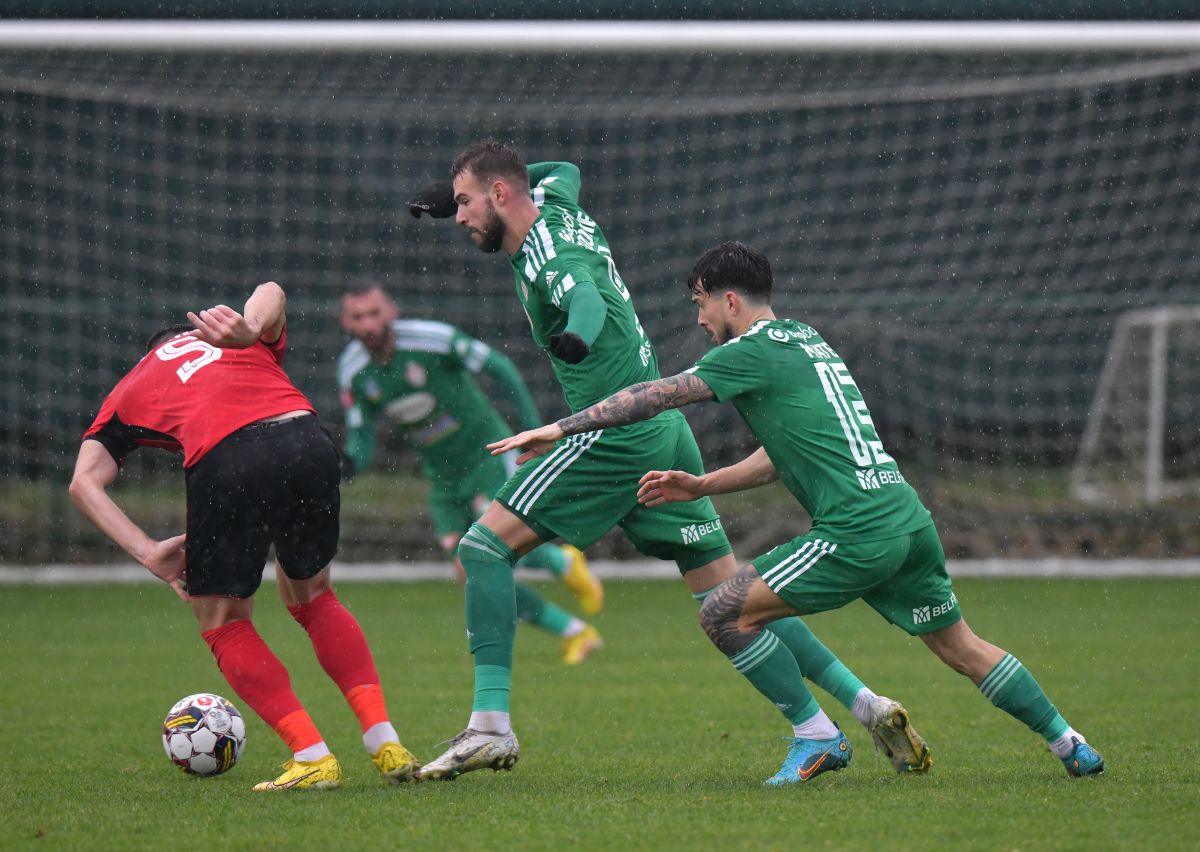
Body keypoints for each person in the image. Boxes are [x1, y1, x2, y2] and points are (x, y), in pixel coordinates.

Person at [406, 141, 930, 784]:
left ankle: (490, 726)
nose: (458, 218)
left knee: (482, 549)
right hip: (664, 437)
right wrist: (452, 191)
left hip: (613, 437)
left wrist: (578, 334)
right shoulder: (558, 202)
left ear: (501, 196)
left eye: (464, 204)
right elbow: (563, 169)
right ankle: (859, 705)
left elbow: (584, 298)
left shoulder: (552, 254)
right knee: (729, 596)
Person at [490, 241, 1107, 780]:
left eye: (701, 302)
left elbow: (654, 395)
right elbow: (780, 450)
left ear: (730, 301)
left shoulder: (749, 352)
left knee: (722, 612)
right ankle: (1070, 744)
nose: (698, 317)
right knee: (962, 649)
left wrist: (562, 427)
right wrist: (702, 485)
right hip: (904, 516)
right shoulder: (805, 338)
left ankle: (817, 737)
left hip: (856, 531)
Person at [68, 282, 421, 791]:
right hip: (306, 438)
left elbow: (84, 482)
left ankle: (312, 755)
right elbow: (274, 289)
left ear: (152, 351)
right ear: (190, 334)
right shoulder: (231, 336)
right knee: (314, 597)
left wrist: (149, 552)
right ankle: (384, 740)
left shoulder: (134, 383)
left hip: (229, 457)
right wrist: (248, 329)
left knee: (224, 621)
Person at [337, 279, 604, 664]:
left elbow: (503, 369)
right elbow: (361, 437)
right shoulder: (352, 371)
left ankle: (561, 564)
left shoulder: (434, 340)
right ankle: (575, 631)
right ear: (345, 323)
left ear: (392, 312)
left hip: (486, 458)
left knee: (492, 547)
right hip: (442, 477)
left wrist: (530, 428)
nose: (369, 324)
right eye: (358, 316)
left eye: (375, 313)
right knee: (470, 571)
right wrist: (346, 464)